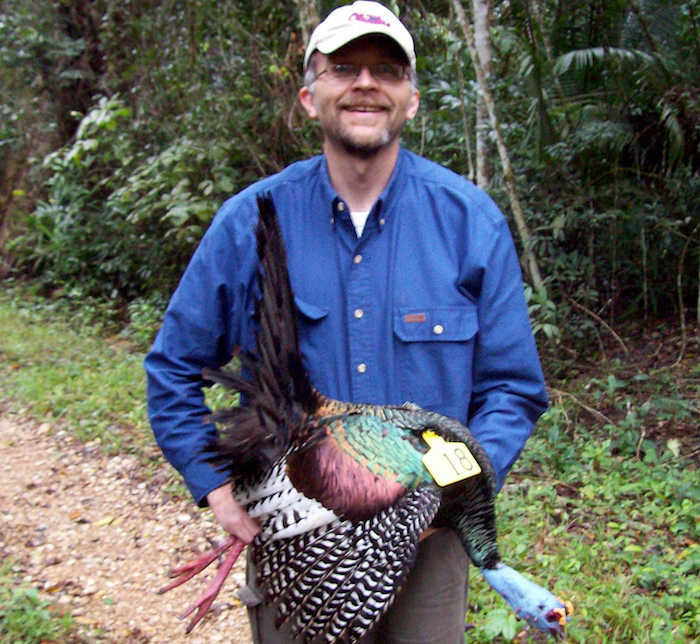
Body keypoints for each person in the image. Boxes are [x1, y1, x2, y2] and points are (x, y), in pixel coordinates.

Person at [144, 1, 548, 642]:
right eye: (343, 68)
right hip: (295, 534)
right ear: (310, 96)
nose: (365, 83)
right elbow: (172, 366)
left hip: (426, 540)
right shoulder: (251, 221)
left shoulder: (469, 222)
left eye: (386, 70)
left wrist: (449, 496)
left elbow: (511, 388)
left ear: (411, 99)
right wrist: (215, 486)